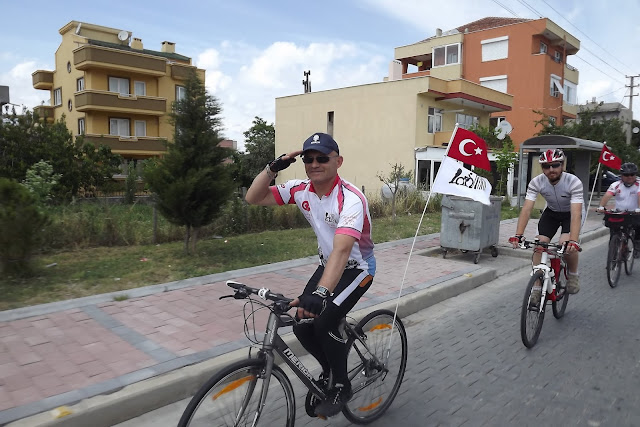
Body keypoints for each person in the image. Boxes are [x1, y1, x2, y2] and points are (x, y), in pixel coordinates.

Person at [245, 132, 375, 418]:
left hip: (357, 268)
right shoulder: (300, 189)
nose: (315, 164)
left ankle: (341, 385)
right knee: (302, 324)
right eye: (309, 159)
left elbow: (342, 251)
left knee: (324, 321)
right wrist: (272, 168)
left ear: (338, 161)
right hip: (328, 265)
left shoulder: (351, 199)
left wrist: (321, 293)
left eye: (322, 158)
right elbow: (253, 197)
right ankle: (330, 370)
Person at [509, 149, 583, 306]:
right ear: (542, 168)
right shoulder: (537, 182)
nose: (551, 169)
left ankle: (573, 274)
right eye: (546, 166)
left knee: (566, 245)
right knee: (539, 245)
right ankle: (537, 288)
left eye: (555, 165)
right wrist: (518, 235)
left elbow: (576, 214)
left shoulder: (573, 182)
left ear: (562, 165)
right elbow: (527, 209)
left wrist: (573, 240)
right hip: (551, 213)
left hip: (570, 214)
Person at [596, 162, 640, 256]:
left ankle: (637, 244)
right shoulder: (616, 185)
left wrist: (639, 209)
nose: (629, 177)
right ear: (622, 175)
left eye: (632, 174)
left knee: (638, 226)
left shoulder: (639, 184)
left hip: (635, 212)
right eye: (626, 175)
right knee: (614, 231)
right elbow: (607, 195)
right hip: (620, 212)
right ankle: (613, 252)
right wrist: (601, 207)